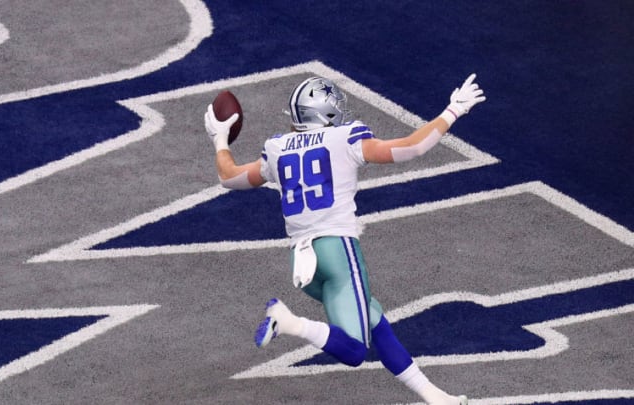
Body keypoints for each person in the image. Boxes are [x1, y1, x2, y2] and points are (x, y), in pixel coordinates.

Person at [204, 74, 485, 405]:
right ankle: (289, 322)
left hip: (303, 264)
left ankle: (435, 397)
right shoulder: (344, 138)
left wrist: (220, 138)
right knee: (354, 349)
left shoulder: (277, 149)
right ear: (326, 113)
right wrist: (453, 110)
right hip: (337, 252)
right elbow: (412, 147)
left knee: (374, 320)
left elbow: (230, 177)